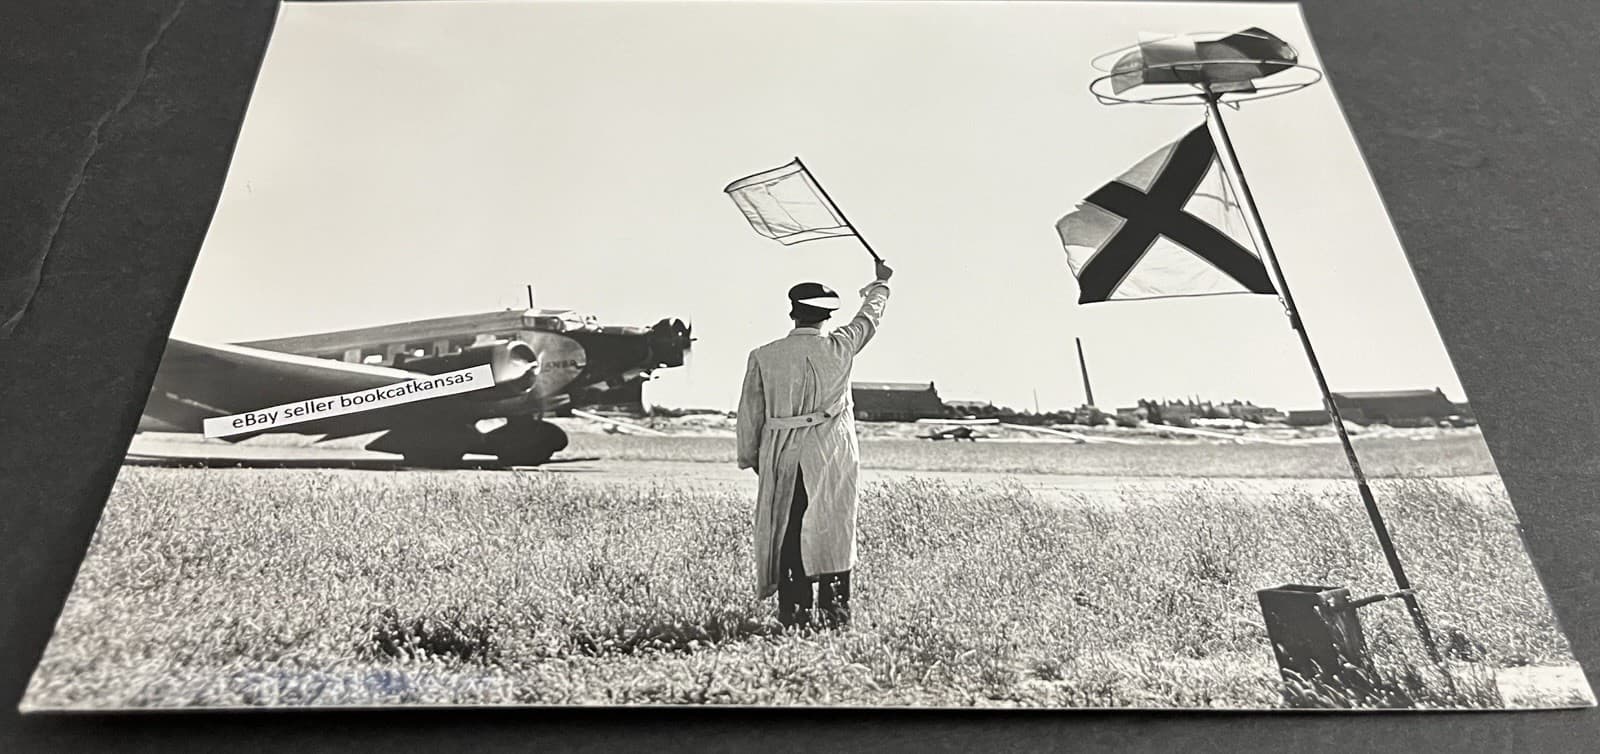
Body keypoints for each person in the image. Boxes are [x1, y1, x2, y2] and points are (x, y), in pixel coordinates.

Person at [737, 258, 894, 629]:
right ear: (828, 316)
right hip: (832, 454)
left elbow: (750, 412)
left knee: (789, 530)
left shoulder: (764, 354)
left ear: (792, 312)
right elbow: (869, 318)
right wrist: (881, 284)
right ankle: (836, 615)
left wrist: (752, 457)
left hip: (781, 452)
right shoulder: (841, 347)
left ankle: (794, 614)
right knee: (833, 531)